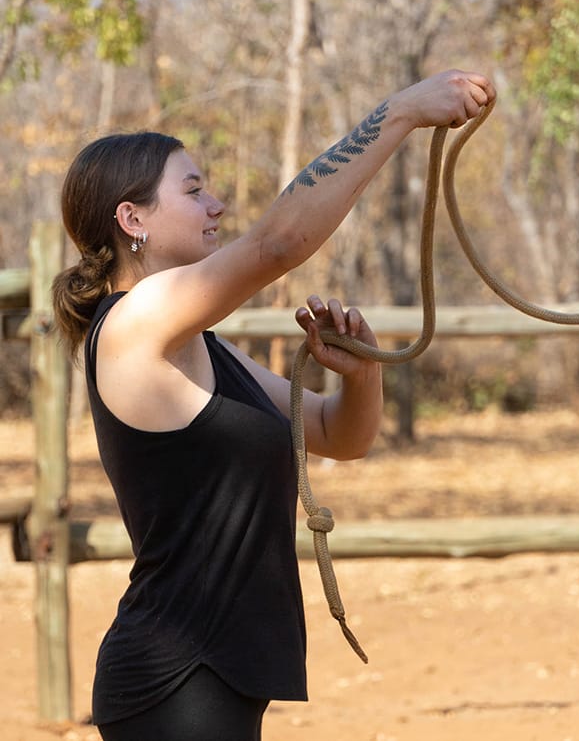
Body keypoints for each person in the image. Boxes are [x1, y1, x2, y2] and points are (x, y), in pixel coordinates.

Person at [52, 68, 495, 741]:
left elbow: (336, 435)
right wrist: (402, 112)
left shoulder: (199, 345)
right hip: (177, 683)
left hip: (212, 679)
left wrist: (359, 374)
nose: (216, 206)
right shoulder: (133, 326)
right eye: (193, 190)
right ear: (132, 219)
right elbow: (279, 243)